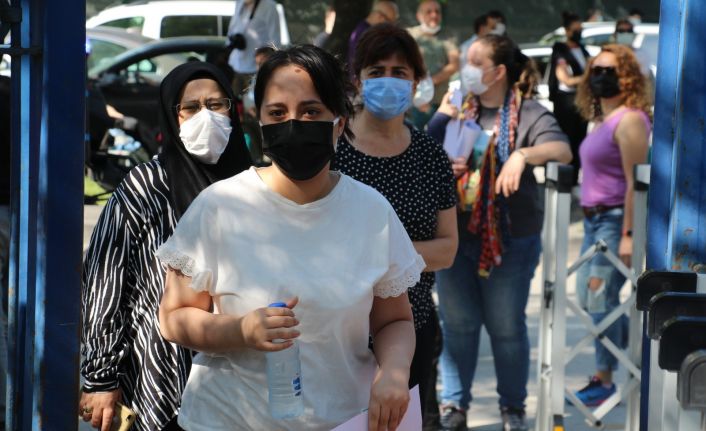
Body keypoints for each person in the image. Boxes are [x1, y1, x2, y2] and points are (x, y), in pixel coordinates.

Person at [157, 44, 423, 431]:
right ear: (259, 120)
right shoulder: (219, 205)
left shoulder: (371, 211)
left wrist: (395, 373)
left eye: (311, 111)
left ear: (339, 122)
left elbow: (394, 321)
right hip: (226, 420)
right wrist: (240, 330)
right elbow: (174, 317)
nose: (294, 124)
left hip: (341, 420)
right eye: (278, 113)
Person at [79, 62, 252, 431]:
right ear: (173, 117)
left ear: (232, 110)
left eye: (216, 104)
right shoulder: (147, 185)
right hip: (160, 376)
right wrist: (101, 377)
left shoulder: (251, 186)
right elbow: (104, 279)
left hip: (239, 376)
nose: (206, 116)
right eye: (191, 107)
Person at [427, 35, 572, 431]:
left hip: (509, 239)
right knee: (458, 326)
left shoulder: (528, 112)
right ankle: (454, 405)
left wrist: (523, 155)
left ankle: (512, 408)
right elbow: (421, 150)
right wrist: (440, 119)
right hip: (454, 236)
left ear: (499, 72)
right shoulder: (457, 107)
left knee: (506, 328)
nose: (466, 69)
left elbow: (562, 150)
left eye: (476, 62)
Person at [335, 23, 458, 428]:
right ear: (358, 80)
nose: (387, 80)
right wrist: (401, 258)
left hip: (412, 327)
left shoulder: (430, 156)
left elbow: (447, 249)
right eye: (376, 71)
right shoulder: (331, 150)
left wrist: (378, 258)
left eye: (399, 72)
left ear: (416, 82)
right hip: (336, 332)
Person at [572, 44, 651, 407]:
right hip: (593, 220)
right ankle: (643, 349)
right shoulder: (601, 119)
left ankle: (604, 379)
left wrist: (629, 234)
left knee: (599, 296)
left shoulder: (630, 119)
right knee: (588, 297)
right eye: (597, 70)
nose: (602, 77)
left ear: (628, 77)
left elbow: (637, 182)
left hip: (615, 218)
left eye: (611, 71)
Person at [549, 11, 590, 185]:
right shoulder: (560, 51)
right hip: (566, 104)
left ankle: (573, 180)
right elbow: (565, 79)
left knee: (580, 141)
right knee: (566, 141)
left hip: (581, 102)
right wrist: (587, 78)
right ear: (567, 31)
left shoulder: (582, 49)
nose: (579, 32)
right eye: (575, 29)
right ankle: (562, 180)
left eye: (580, 29)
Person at [407, 0, 459, 129]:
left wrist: (429, 82)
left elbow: (454, 64)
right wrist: (419, 91)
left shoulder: (448, 35)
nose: (434, 15)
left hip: (439, 101)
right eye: (429, 12)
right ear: (419, 15)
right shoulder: (409, 35)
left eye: (437, 12)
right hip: (413, 101)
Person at [226, 0, 281, 97]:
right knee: (233, 101)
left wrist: (272, 66)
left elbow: (275, 41)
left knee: (254, 102)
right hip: (237, 65)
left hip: (256, 70)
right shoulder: (240, 3)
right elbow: (233, 28)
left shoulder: (269, 6)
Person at [347, 0, 399, 72]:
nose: (392, 27)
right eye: (390, 22)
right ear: (380, 16)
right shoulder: (367, 35)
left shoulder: (363, 30)